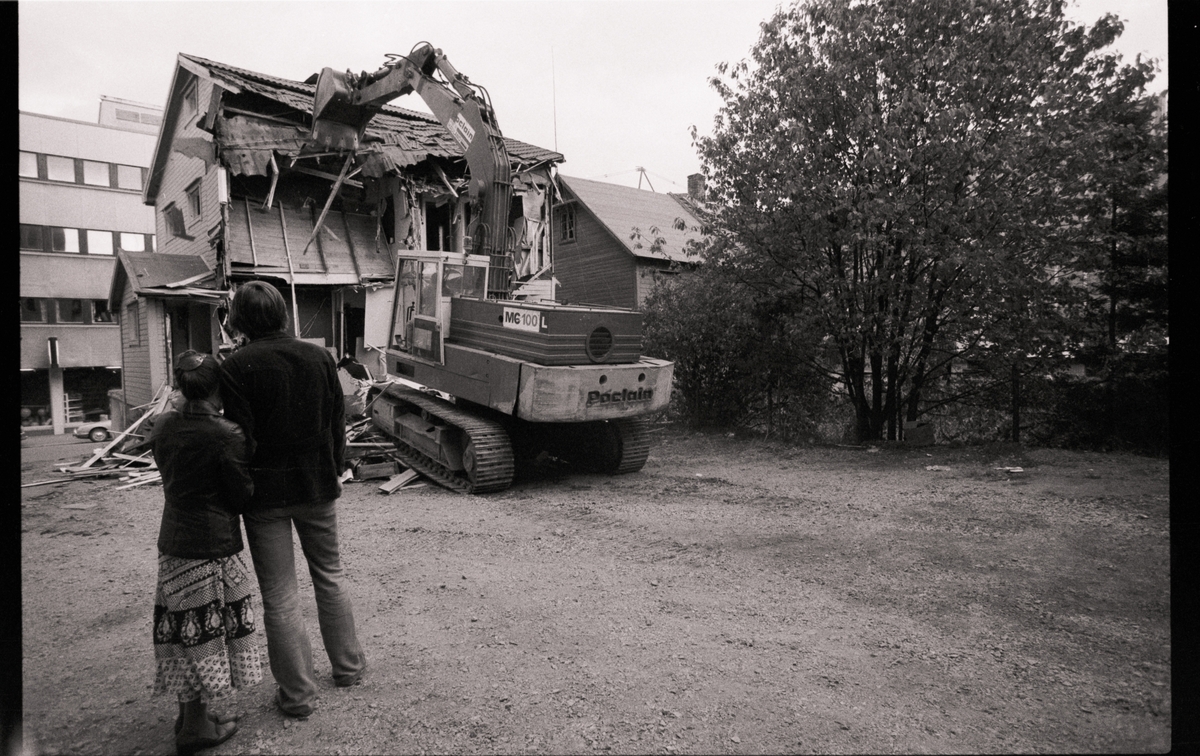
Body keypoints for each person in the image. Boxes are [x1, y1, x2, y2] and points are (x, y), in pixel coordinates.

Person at [218, 281, 367, 719]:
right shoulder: (320, 356)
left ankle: (298, 696)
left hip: (265, 495)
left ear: (241, 319)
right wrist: (335, 466)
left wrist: (241, 488)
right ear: (282, 313)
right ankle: (349, 668)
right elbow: (336, 422)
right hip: (317, 486)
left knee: (280, 595)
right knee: (330, 575)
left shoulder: (236, 367)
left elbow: (239, 439)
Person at [150, 350, 261, 756]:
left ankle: (190, 717)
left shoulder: (162, 425)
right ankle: (195, 729)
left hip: (174, 545)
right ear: (217, 387)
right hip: (212, 548)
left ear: (180, 385)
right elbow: (241, 493)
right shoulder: (226, 433)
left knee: (183, 632)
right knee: (204, 635)